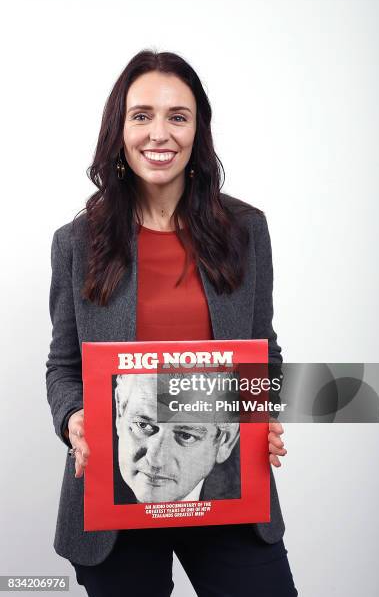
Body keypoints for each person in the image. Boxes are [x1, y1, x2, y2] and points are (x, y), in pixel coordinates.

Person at [46, 49, 297, 596]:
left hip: (227, 489)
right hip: (116, 493)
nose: (159, 134)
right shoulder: (76, 243)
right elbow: (63, 366)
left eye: (177, 116)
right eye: (142, 116)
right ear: (120, 129)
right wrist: (75, 417)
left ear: (197, 131)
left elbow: (263, 349)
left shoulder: (245, 230)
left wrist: (260, 412)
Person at [114, 372, 240, 503]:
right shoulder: (96, 495)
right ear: (120, 413)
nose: (156, 460)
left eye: (186, 436)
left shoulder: (250, 512)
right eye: (143, 425)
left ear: (225, 441)